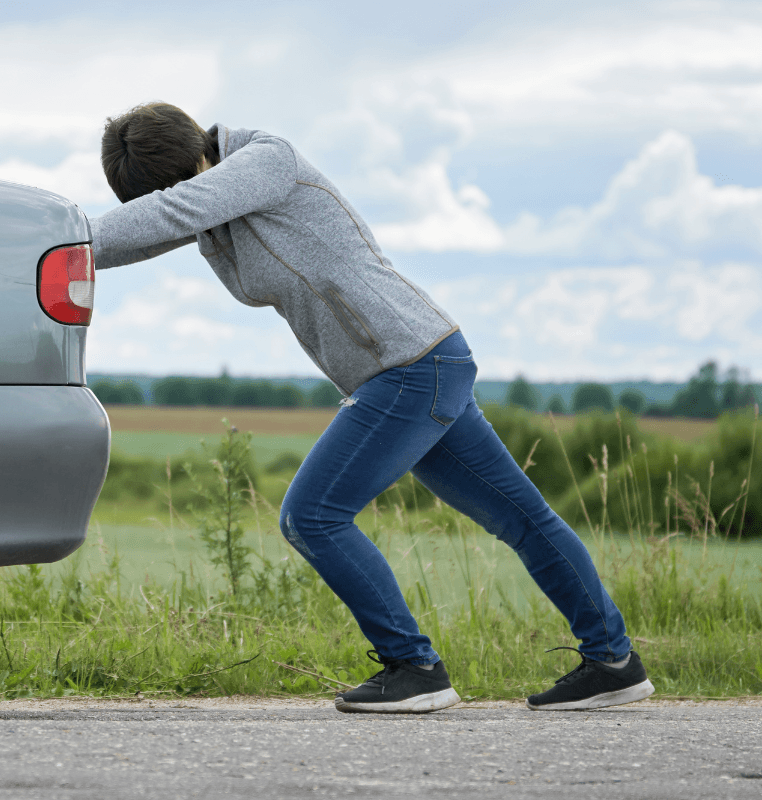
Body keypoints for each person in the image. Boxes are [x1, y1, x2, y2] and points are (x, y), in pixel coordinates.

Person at [89, 102, 654, 714]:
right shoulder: (208, 196)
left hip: (409, 364)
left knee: (314, 515)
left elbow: (176, 209)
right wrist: (45, 251)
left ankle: (414, 667)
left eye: (184, 184)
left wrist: (64, 240)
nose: (181, 198)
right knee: (521, 517)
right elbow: (155, 228)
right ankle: (614, 661)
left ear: (200, 154)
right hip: (418, 362)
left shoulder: (265, 160)